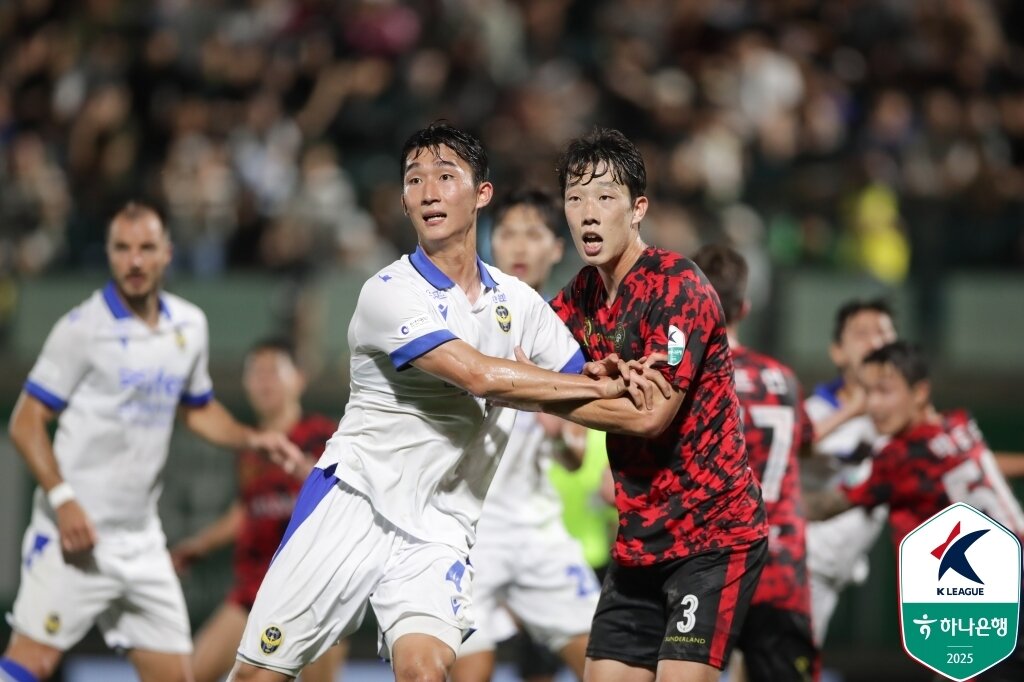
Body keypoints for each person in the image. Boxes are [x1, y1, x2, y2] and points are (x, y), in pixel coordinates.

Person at [228, 123, 667, 682]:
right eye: (414, 180)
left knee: (426, 671)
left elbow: (580, 396)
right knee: (259, 677)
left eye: (445, 176)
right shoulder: (389, 292)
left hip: (441, 525)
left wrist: (652, 411)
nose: (428, 191)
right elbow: (480, 376)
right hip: (355, 503)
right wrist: (600, 385)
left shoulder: (519, 303)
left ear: (482, 192)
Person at [1, 203, 303, 682]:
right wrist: (63, 501)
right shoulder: (82, 330)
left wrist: (252, 437)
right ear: (109, 255)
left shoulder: (188, 326)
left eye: (146, 248)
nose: (135, 261)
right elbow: (24, 422)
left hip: (141, 542)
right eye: (123, 249)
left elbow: (198, 409)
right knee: (31, 664)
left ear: (167, 253)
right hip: (73, 537)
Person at [546, 127, 769, 682]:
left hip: (713, 535)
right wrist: (591, 386)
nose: (588, 214)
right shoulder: (579, 297)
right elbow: (527, 356)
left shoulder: (678, 287)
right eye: (575, 199)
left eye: (604, 198)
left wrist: (562, 393)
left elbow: (649, 415)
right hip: (639, 539)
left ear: (638, 208)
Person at [804, 340, 1024, 681]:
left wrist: (767, 496)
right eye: (867, 392)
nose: (873, 404)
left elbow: (825, 507)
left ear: (920, 392)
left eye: (884, 391)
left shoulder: (901, 457)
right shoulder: (960, 426)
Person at [451, 188, 600, 682]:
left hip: (537, 528)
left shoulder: (568, 334)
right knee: (470, 672)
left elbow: (574, 458)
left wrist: (562, 433)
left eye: (533, 233)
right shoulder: (463, 317)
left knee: (608, 667)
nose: (518, 245)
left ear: (557, 248)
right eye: (508, 232)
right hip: (469, 528)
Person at [170, 338, 348, 682]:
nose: (262, 382)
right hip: (254, 587)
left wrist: (305, 471)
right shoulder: (250, 446)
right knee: (190, 674)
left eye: (272, 372)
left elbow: (346, 500)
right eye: (254, 373)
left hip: (313, 589)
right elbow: (247, 509)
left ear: (298, 378)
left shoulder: (327, 436)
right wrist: (200, 546)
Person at [693, 244, 819, 682]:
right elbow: (805, 442)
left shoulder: (690, 377)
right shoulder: (783, 378)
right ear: (744, 307)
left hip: (711, 569)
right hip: (781, 567)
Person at [802, 299, 896, 646]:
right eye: (863, 334)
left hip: (828, 578)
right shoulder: (816, 410)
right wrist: (855, 409)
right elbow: (795, 444)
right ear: (838, 353)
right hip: (790, 565)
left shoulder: (897, 423)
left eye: (884, 332)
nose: (876, 342)